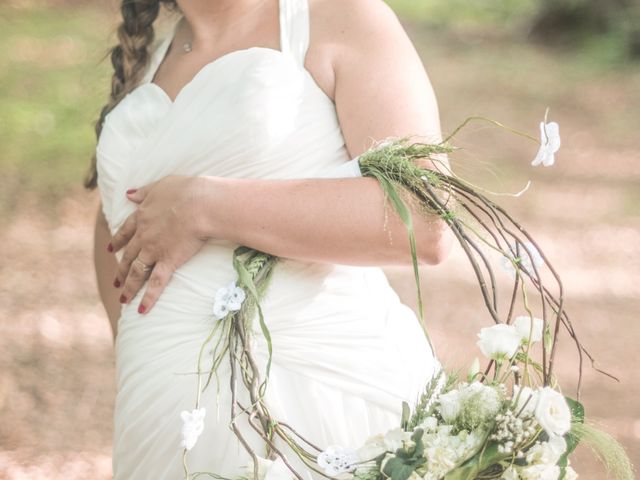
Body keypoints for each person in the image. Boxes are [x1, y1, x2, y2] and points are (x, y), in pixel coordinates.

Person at [86, 0, 454, 478]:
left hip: (316, 405)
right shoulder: (151, 60)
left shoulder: (341, 17)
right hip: (162, 422)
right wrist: (146, 350)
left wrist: (206, 206)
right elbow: (118, 220)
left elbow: (424, 218)